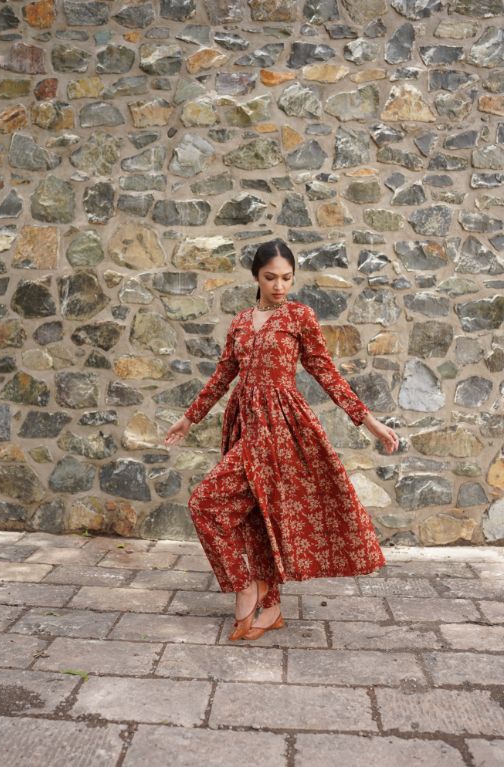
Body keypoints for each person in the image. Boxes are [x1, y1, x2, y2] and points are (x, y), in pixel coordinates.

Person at [164, 239, 399, 642]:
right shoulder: (241, 322)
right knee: (225, 510)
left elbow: (326, 372)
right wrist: (189, 419)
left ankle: (259, 597)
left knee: (219, 505)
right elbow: (222, 377)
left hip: (283, 430)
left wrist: (369, 422)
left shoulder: (299, 316)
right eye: (270, 277)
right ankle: (256, 594)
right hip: (246, 428)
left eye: (287, 278)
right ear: (256, 277)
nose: (279, 286)